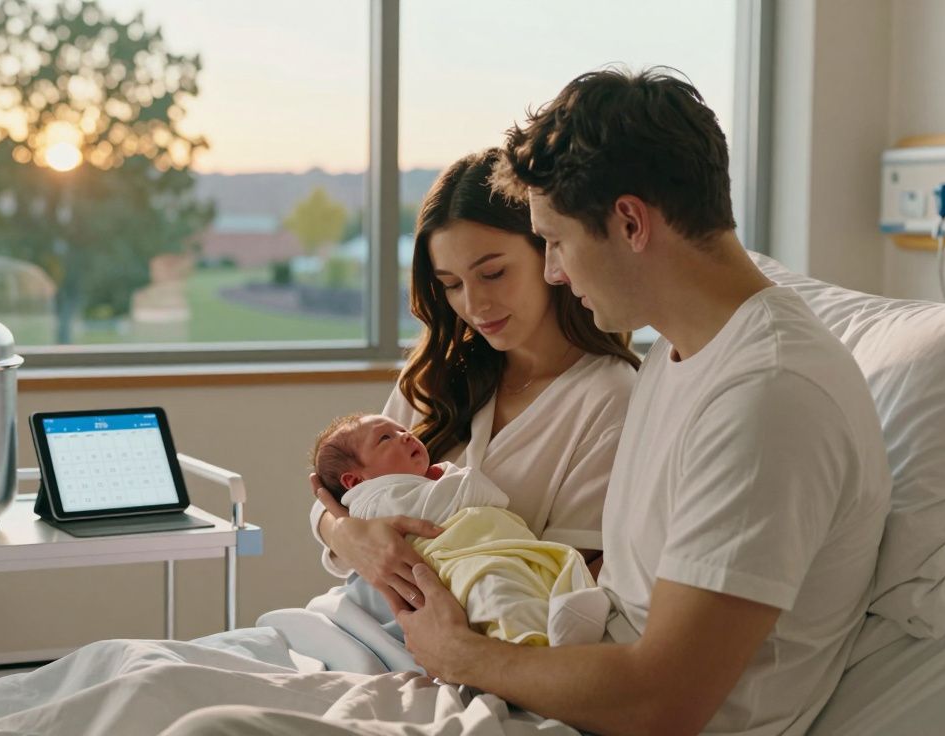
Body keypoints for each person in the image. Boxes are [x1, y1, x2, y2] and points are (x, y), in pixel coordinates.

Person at [389, 68, 893, 736]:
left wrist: (464, 654)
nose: (554, 272)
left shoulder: (770, 399)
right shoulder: (680, 358)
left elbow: (663, 701)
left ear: (629, 222)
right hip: (561, 692)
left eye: (559, 241)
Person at [306, 147, 639, 633]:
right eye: (451, 284)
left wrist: (351, 533)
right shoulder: (435, 373)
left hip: (476, 648)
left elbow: (568, 577)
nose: (474, 304)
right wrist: (345, 533)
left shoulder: (608, 398)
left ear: (550, 253)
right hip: (354, 624)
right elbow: (343, 487)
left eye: (493, 273)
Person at [311, 413, 596, 646]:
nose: (406, 435)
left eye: (402, 430)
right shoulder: (377, 498)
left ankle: (543, 635)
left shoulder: (393, 487)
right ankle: (524, 644)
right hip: (452, 564)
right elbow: (477, 495)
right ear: (354, 480)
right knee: (493, 589)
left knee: (519, 584)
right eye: (386, 438)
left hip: (480, 553)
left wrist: (339, 523)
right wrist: (450, 475)